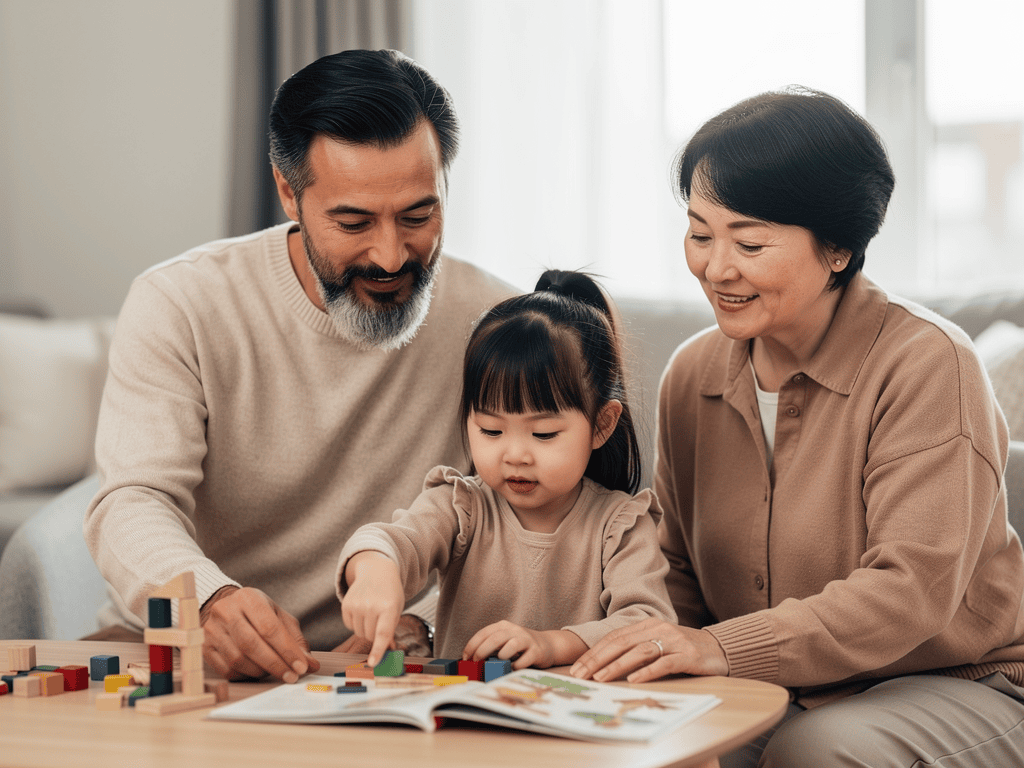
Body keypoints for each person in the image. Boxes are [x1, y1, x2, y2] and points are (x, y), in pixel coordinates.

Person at [569, 89, 1024, 766]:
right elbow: (674, 575)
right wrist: (584, 646)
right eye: (699, 234)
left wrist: (720, 650)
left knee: (815, 750)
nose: (716, 268)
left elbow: (908, 594)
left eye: (749, 242)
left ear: (837, 248)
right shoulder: (692, 376)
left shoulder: (930, 365)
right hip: (773, 686)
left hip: (958, 684)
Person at [83, 49, 513, 684]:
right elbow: (133, 501)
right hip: (195, 648)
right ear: (288, 191)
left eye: (419, 216)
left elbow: (517, 519)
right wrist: (207, 602)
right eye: (353, 221)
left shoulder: (497, 320)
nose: (391, 256)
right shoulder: (181, 302)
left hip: (404, 659)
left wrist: (422, 618)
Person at [337, 270, 677, 669]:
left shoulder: (620, 527)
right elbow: (395, 540)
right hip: (464, 719)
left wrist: (554, 645)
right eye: (491, 430)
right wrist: (376, 568)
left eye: (544, 433)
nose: (515, 455)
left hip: (575, 722)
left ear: (601, 425)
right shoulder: (460, 507)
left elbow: (647, 623)